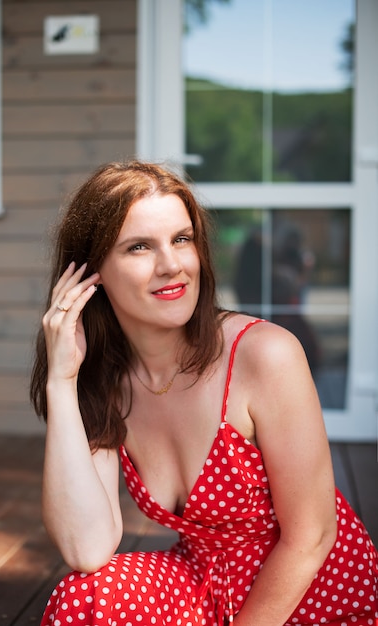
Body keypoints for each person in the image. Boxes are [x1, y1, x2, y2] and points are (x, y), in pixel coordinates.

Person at [30, 160, 378, 626]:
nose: (171, 265)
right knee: (85, 597)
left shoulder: (264, 354)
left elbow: (311, 537)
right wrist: (63, 380)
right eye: (139, 247)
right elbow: (86, 547)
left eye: (181, 239)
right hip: (205, 583)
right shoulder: (105, 381)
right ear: (90, 273)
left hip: (309, 596)